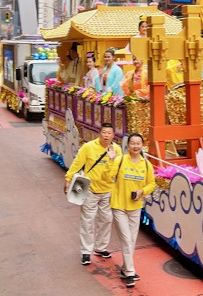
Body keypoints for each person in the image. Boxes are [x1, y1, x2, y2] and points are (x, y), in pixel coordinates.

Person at [63, 123, 123, 265]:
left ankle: (101, 247)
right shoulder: (88, 147)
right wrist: (68, 178)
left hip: (108, 190)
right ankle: (85, 252)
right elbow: (77, 163)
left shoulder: (117, 150)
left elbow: (120, 170)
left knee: (107, 219)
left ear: (113, 135)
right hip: (89, 190)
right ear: (99, 133)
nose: (106, 135)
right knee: (88, 221)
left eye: (109, 133)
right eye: (104, 132)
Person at [104, 133, 155, 288]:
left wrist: (142, 192)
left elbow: (152, 184)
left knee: (131, 240)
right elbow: (107, 177)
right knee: (127, 239)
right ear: (128, 145)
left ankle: (125, 269)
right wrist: (111, 160)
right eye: (132, 143)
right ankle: (131, 273)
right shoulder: (120, 161)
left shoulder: (146, 165)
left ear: (142, 145)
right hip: (119, 206)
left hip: (135, 207)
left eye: (138, 143)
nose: (135, 146)